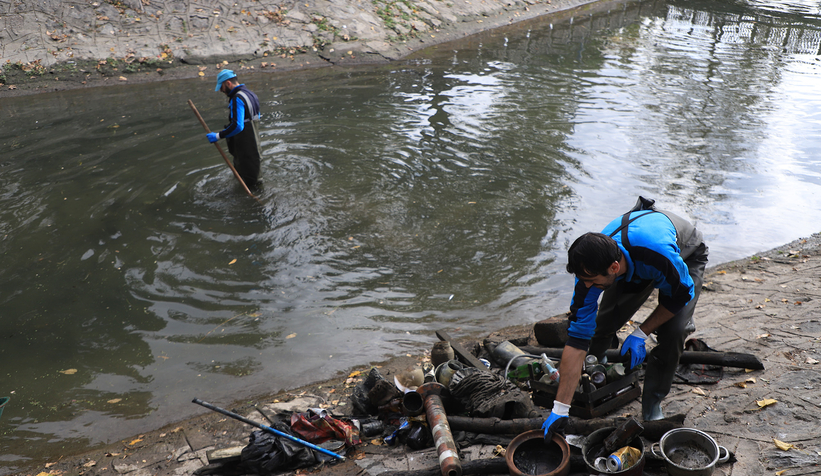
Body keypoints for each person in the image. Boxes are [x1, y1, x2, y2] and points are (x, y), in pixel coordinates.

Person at [543, 196, 709, 439]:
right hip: (635, 263)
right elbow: (577, 339)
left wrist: (641, 333)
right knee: (602, 324)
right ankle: (596, 373)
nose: (588, 286)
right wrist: (560, 409)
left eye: (592, 281)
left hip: (684, 255)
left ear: (613, 268)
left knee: (674, 331)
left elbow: (681, 295)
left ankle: (652, 403)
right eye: (584, 280)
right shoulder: (589, 271)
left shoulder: (658, 254)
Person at [206, 69, 262, 187]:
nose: (222, 91)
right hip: (255, 144)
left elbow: (238, 126)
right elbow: (257, 116)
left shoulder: (237, 98)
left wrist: (218, 135)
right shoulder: (251, 94)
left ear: (228, 83)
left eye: (221, 87)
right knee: (255, 176)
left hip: (245, 146)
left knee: (248, 180)